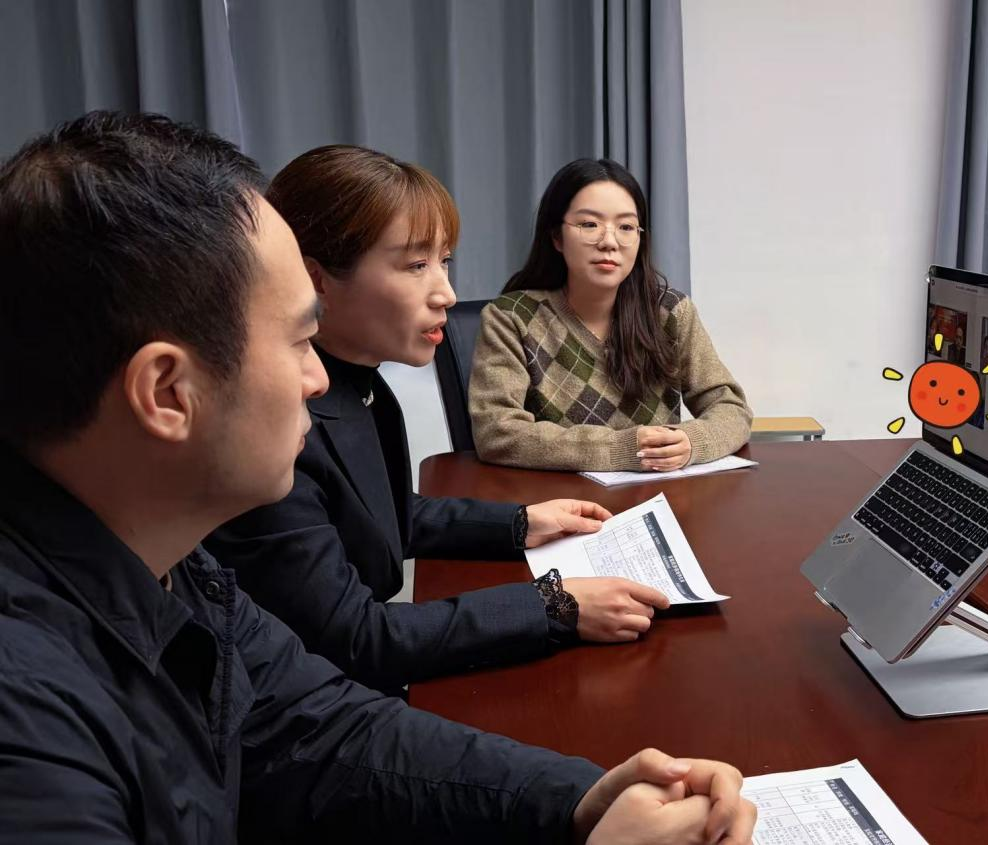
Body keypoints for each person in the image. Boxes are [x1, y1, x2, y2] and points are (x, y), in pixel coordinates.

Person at [0, 111, 755, 844]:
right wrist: (553, 608)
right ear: (168, 392)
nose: (315, 380)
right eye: (300, 339)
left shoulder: (178, 569)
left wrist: (581, 802)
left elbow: (323, 724)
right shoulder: (33, 735)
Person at [205, 145, 668, 695]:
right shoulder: (278, 429)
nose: (446, 293)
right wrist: (552, 604)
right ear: (316, 279)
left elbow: (385, 515)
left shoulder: (364, 386)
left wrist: (520, 523)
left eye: (443, 261)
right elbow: (354, 639)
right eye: (415, 265)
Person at [469, 158, 752, 472]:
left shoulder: (669, 312)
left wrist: (692, 442)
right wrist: (622, 449)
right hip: (557, 498)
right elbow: (496, 431)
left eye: (626, 227)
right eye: (589, 224)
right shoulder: (510, 318)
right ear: (557, 237)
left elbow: (731, 407)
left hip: (658, 496)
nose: (609, 242)